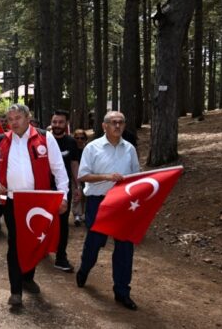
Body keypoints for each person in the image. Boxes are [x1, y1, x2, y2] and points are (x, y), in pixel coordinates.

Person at [0, 104, 69, 306]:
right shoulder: (2, 139)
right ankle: (16, 291)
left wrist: (64, 196)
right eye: (10, 118)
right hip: (14, 201)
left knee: (35, 241)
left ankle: (27, 277)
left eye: (18, 118)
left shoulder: (44, 138)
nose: (13, 122)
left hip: (39, 202)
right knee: (14, 244)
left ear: (28, 117)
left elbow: (59, 170)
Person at [76, 111, 141, 311]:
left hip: (123, 204)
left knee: (125, 247)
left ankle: (122, 291)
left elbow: (136, 177)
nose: (117, 126)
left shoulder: (129, 149)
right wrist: (106, 177)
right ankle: (85, 269)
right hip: (99, 202)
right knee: (94, 243)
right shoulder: (92, 148)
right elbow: (83, 176)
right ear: (104, 126)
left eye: (121, 122)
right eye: (113, 122)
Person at [49, 109, 81, 273]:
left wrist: (77, 186)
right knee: (43, 221)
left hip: (63, 190)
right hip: (43, 189)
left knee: (62, 224)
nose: (57, 125)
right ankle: (40, 251)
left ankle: (61, 257)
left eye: (61, 122)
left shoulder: (71, 142)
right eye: (54, 122)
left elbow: (74, 165)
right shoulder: (43, 140)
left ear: (66, 124)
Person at [71, 128, 89, 226]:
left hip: (87, 174)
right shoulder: (73, 149)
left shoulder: (88, 149)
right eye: (77, 138)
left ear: (85, 139)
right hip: (74, 174)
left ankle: (85, 214)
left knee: (87, 193)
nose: (79, 140)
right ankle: (77, 215)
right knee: (76, 192)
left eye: (82, 138)